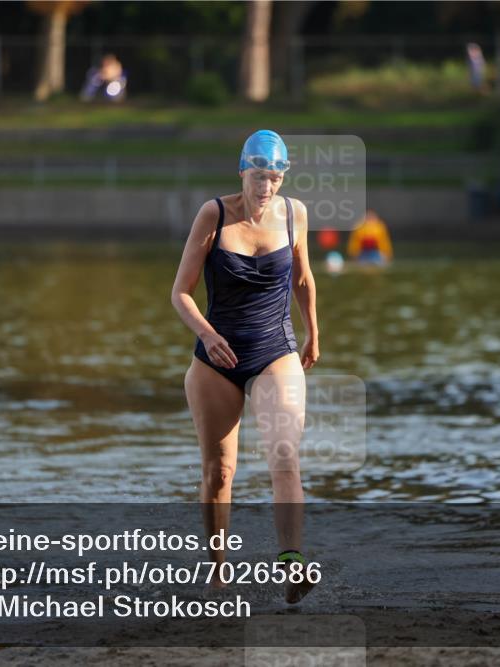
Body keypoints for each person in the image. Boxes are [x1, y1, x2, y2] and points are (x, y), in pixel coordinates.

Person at [171, 130, 320, 603]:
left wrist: (314, 330)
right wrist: (208, 336)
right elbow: (180, 293)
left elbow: (302, 276)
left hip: (275, 350)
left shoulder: (294, 214)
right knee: (219, 471)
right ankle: (218, 572)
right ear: (242, 172)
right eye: (259, 177)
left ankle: (292, 561)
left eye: (275, 178)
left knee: (284, 452)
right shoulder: (213, 214)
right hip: (218, 359)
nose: (267, 187)